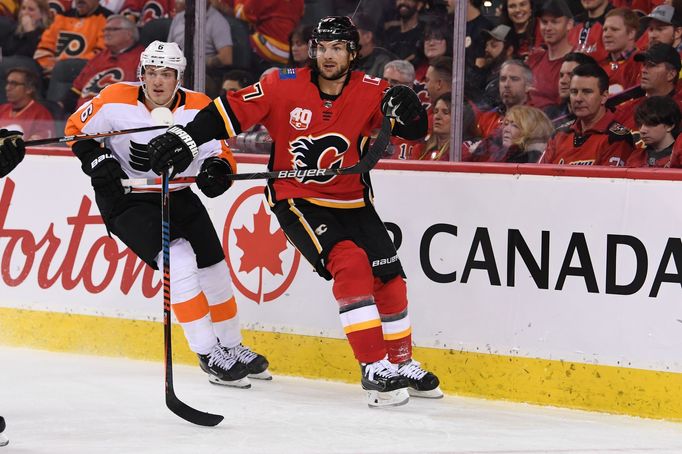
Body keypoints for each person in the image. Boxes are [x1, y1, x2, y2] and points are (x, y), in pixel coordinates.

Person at [146, 16, 442, 408]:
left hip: (354, 199)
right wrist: (186, 137)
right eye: (321, 47)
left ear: (353, 53)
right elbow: (227, 112)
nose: (328, 55)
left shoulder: (374, 90)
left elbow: (413, 132)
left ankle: (400, 362)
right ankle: (374, 367)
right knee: (350, 263)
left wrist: (411, 111)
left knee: (389, 277)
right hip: (296, 197)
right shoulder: (281, 85)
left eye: (337, 48)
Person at [64, 41, 270, 388]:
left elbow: (219, 153)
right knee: (178, 258)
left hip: (177, 195)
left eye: (166, 74)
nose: (158, 81)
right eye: (151, 73)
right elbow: (75, 131)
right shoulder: (114, 97)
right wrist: (97, 159)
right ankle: (208, 352)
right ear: (141, 74)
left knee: (216, 272)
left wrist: (217, 170)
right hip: (127, 199)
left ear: (179, 77)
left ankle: (232, 347)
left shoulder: (200, 107)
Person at [540, 63, 634, 165]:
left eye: (587, 92)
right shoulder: (559, 134)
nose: (578, 98)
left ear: (604, 96)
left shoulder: (616, 138)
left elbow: (609, 181)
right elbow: (537, 175)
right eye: (574, 92)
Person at [66, 14, 144, 112]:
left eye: (112, 29)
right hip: (83, 117)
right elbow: (76, 90)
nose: (106, 33)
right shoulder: (99, 57)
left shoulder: (142, 58)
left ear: (129, 34)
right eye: (105, 30)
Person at [527, 0, 574, 110]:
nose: (548, 28)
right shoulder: (534, 59)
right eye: (544, 22)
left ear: (569, 24)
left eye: (555, 22)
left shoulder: (577, 63)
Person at [0, 67, 55, 140]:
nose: (7, 88)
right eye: (8, 83)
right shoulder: (2, 109)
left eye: (14, 84)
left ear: (29, 89)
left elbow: (41, 145)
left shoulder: (41, 114)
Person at [626, 96, 680, 167]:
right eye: (640, 124)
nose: (642, 130)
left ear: (670, 126)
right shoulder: (635, 158)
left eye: (650, 124)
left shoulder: (679, 159)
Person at [418, 92, 451, 160]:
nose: (437, 117)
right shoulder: (421, 149)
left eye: (445, 112)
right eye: (436, 111)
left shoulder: (461, 152)